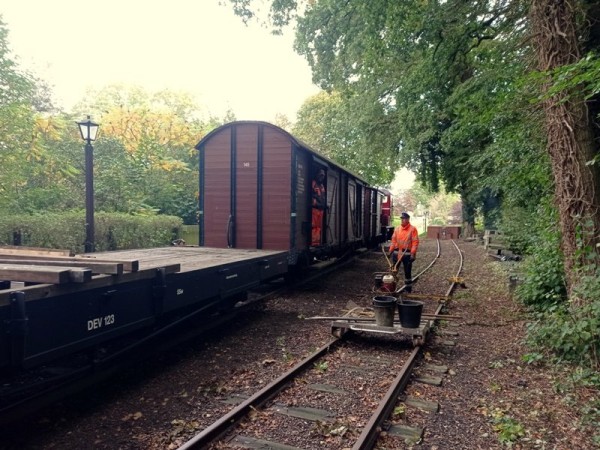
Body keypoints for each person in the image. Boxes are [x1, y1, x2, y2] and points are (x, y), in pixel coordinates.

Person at [388, 212, 419, 292]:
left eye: (404, 219)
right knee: (393, 271)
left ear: (408, 219)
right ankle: (391, 288)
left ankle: (408, 289)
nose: (402, 220)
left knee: (407, 272)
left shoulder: (413, 229)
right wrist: (390, 251)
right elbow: (393, 241)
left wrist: (412, 254)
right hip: (397, 253)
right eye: (401, 219)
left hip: (407, 254)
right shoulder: (397, 229)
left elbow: (415, 242)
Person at [311, 169, 327, 246]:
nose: (322, 177)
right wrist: (315, 203)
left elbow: (323, 197)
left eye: (323, 175)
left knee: (319, 227)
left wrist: (324, 205)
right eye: (321, 175)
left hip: (321, 209)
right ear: (317, 175)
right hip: (315, 209)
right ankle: (314, 242)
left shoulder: (321, 186)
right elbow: (310, 194)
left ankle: (317, 242)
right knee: (314, 226)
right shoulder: (313, 183)